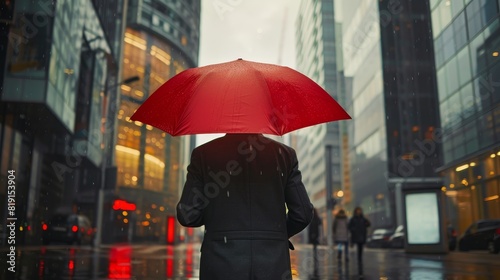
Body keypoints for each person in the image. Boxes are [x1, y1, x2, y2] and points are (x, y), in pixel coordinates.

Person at [177, 133, 314, 279]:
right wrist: (275, 233)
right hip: (273, 264)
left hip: (220, 263)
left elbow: (188, 215)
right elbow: (303, 214)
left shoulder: (203, 154)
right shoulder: (284, 155)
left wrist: (217, 217)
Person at [348, 207, 370, 277]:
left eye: (359, 211)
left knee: (360, 247)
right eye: (358, 211)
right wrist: (353, 230)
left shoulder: (363, 218)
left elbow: (368, 224)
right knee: (358, 246)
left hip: (362, 235)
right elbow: (349, 226)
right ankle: (359, 259)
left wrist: (366, 223)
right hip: (356, 235)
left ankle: (359, 258)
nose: (359, 212)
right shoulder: (353, 219)